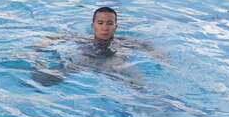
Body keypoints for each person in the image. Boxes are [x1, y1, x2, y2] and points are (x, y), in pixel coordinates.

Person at [30, 6, 160, 86]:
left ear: (116, 27)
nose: (105, 27)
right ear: (93, 26)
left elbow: (147, 45)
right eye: (100, 23)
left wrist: (161, 56)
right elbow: (54, 37)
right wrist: (34, 50)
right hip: (86, 62)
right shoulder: (81, 39)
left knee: (139, 84)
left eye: (109, 23)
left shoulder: (124, 42)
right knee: (43, 80)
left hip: (114, 64)